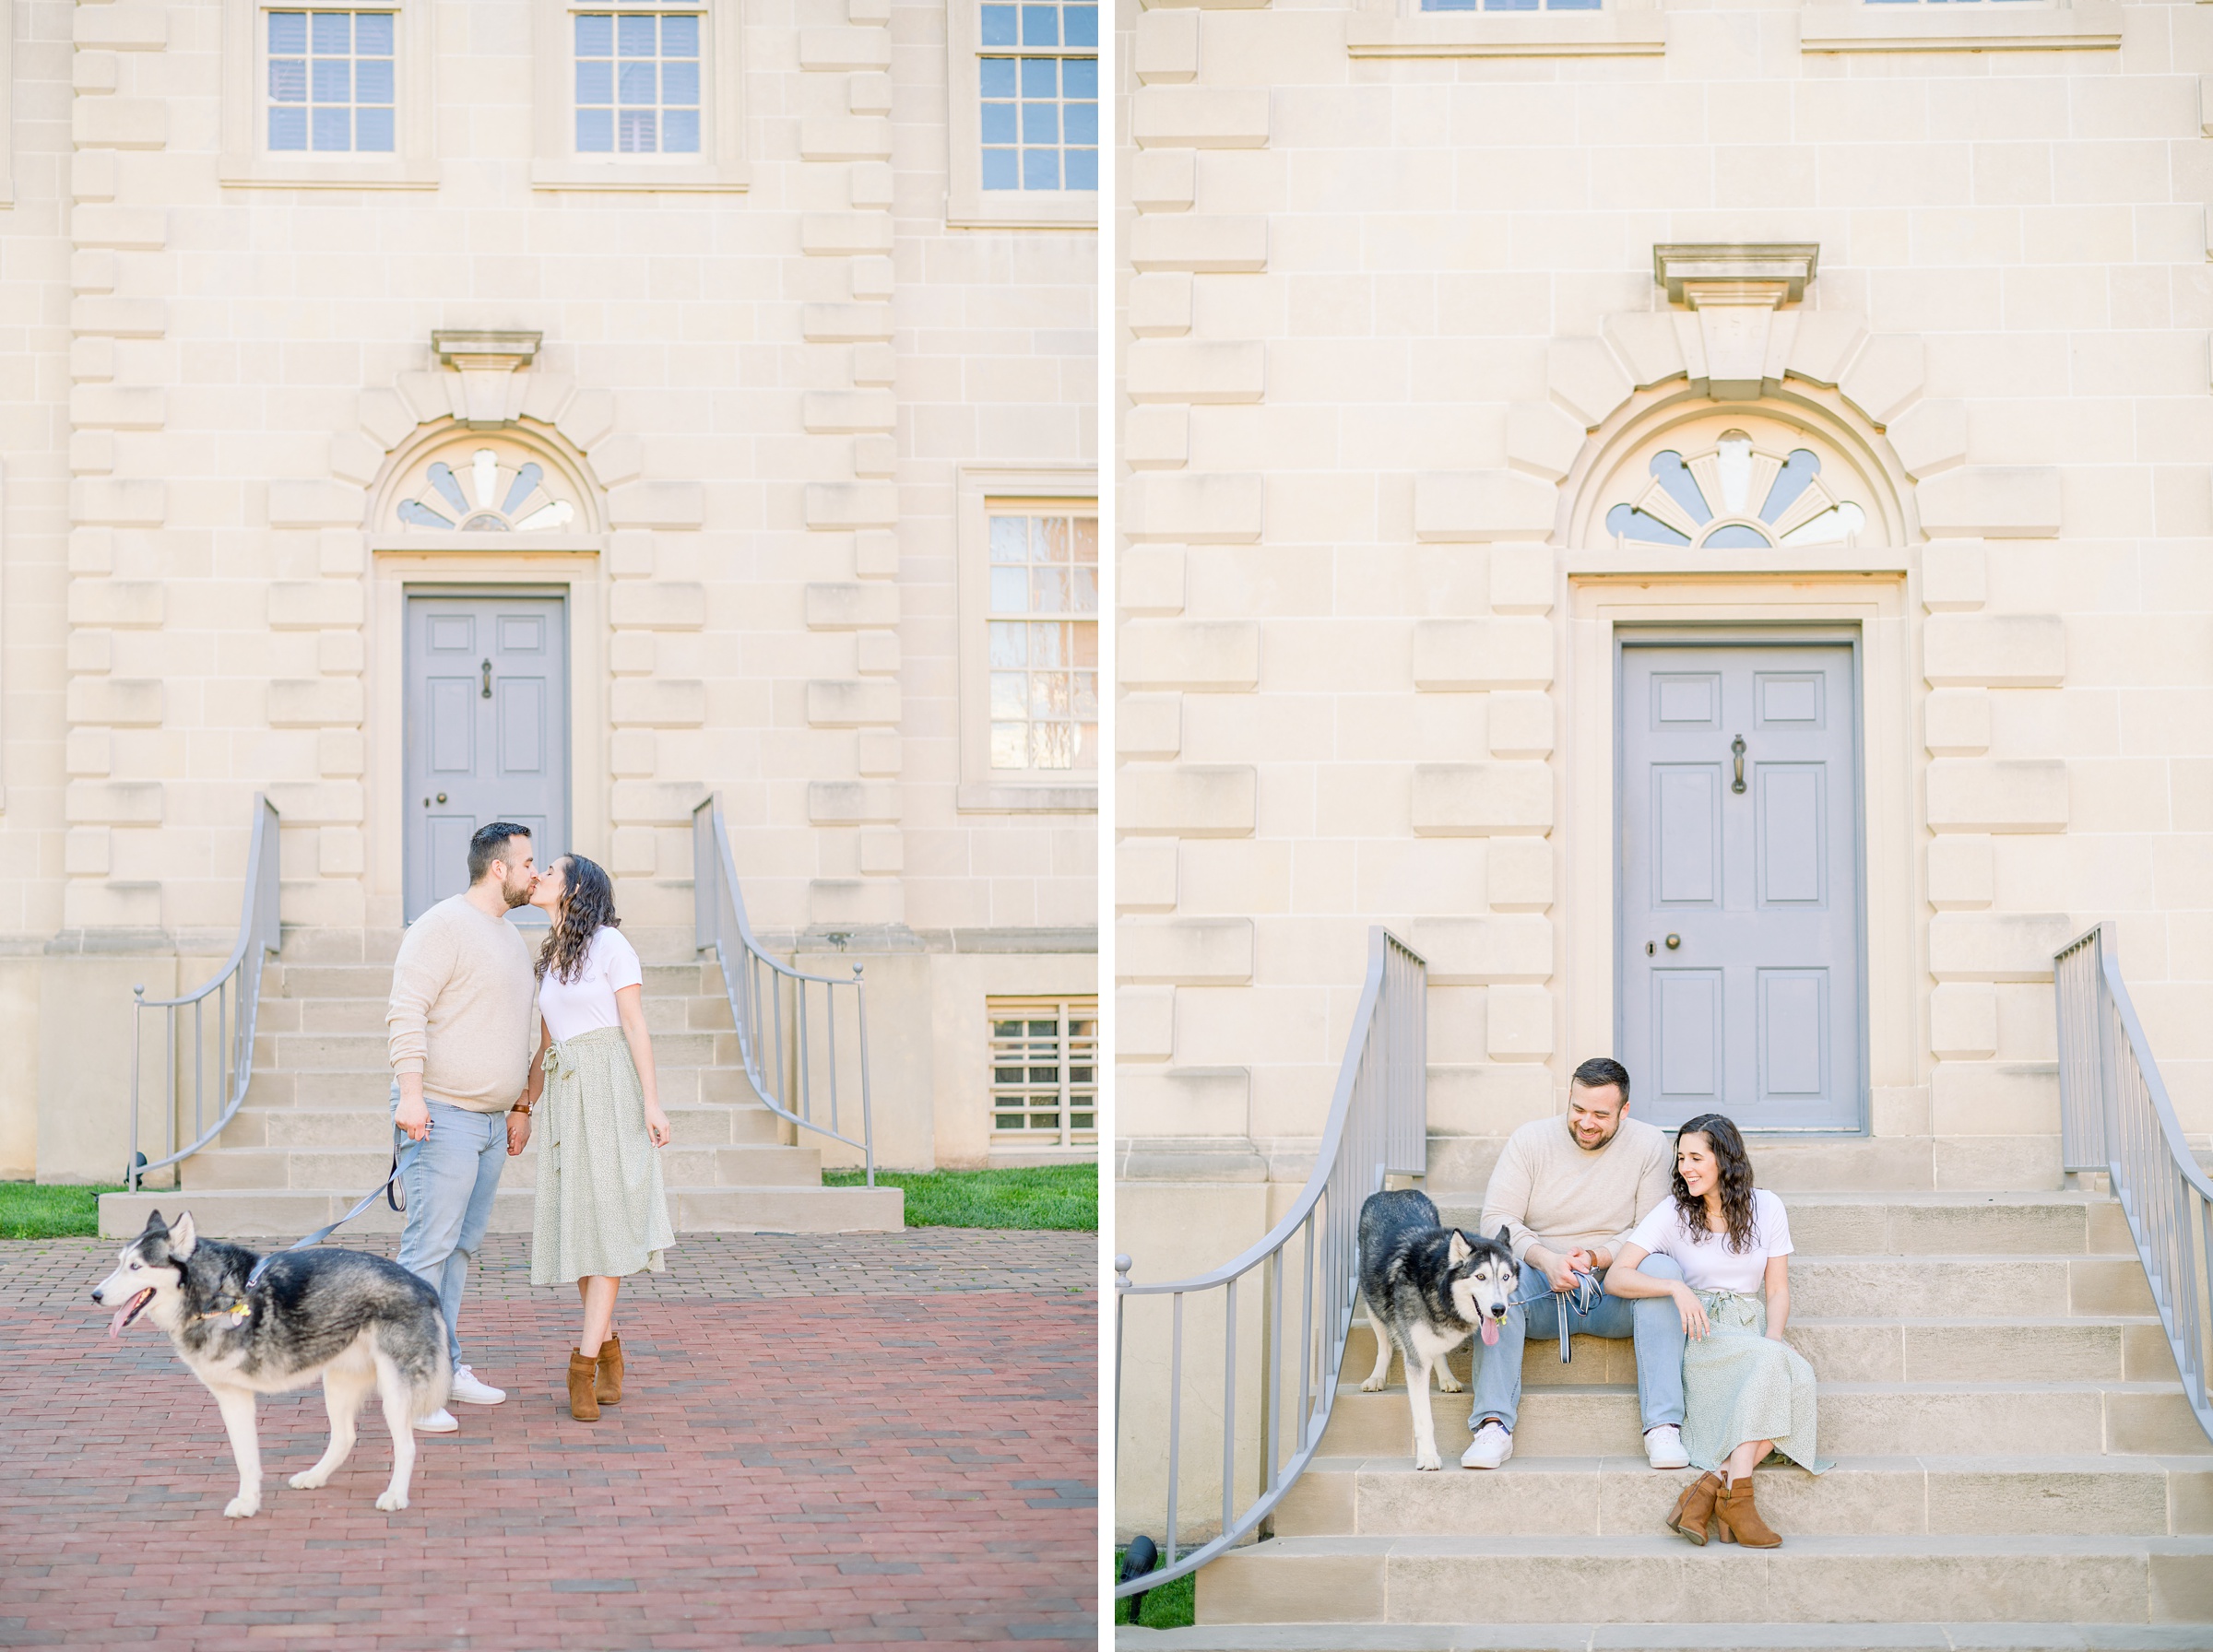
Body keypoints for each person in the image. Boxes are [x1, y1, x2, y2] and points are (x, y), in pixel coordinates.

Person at [1605, 1112, 1829, 1549]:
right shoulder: (1673, 1212)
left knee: (1797, 1375)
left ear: (1724, 1160)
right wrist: (1673, 1286)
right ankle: (1737, 1501)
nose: (1685, 1167)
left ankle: (1713, 1488)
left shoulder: (1768, 1207)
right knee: (1782, 1373)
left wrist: (1774, 1341)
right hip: (1700, 1330)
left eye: (1695, 1158)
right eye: (1680, 1158)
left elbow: (1778, 1289)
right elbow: (1616, 1277)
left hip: (1751, 1328)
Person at [506, 853, 675, 1421]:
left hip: (610, 1089)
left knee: (606, 1226)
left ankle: (582, 1364)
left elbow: (635, 1026)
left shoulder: (609, 946)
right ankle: (608, 1349)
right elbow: (547, 1042)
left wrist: (652, 1102)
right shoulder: (552, 956)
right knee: (582, 1227)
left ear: (575, 889)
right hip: (568, 1096)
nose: (539, 878)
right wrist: (525, 1104)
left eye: (550, 872)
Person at [385, 821, 541, 1434]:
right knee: (426, 1253)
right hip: (441, 1117)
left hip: (488, 1123)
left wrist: (520, 1107)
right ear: (500, 868)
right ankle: (413, 1390)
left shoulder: (507, 937)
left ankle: (446, 1367)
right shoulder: (442, 925)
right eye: (528, 862)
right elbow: (406, 1010)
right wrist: (413, 1096)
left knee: (459, 1252)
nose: (536, 871)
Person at [1463, 1056, 1689, 1471]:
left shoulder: (1650, 1144)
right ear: (1568, 1099)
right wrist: (1546, 1259)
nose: (1586, 1123)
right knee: (1491, 1281)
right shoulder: (1530, 1140)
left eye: (1601, 1115)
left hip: (1614, 1289)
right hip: (1540, 1290)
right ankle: (1493, 1425)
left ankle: (1663, 1426)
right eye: (1578, 1109)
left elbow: (1653, 1228)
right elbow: (1497, 1219)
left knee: (1666, 1274)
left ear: (1624, 1111)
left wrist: (1597, 1256)